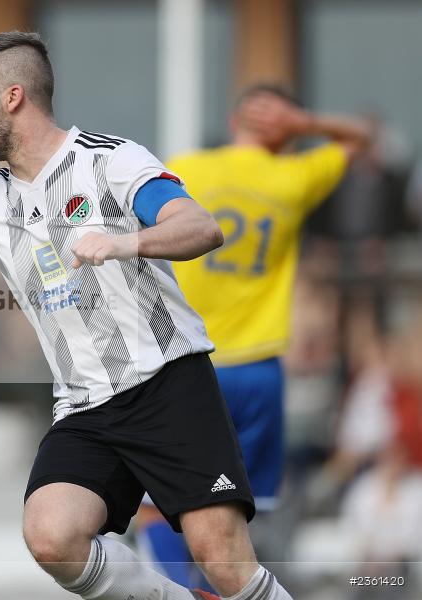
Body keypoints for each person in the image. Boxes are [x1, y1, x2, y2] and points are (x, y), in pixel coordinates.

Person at [0, 31, 294, 600]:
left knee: (220, 557)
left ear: (13, 97)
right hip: (85, 405)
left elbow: (201, 226)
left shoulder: (109, 161)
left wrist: (125, 243)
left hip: (169, 385)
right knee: (52, 536)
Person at [135, 85, 372, 589]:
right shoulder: (292, 178)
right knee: (235, 519)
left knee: (157, 508)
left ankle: (180, 591)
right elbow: (363, 137)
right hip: (260, 372)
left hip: (188, 363)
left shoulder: (187, 167)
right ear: (285, 130)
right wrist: (305, 122)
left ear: (234, 118)